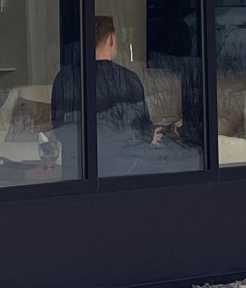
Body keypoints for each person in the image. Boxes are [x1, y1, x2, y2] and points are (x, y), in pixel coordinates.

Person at [51, 15, 165, 177]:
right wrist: (151, 135)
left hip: (77, 172)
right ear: (111, 40)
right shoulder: (128, 79)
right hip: (123, 172)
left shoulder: (63, 79)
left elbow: (60, 130)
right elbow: (141, 130)